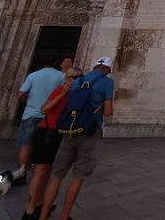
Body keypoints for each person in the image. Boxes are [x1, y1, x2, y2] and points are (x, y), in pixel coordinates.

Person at [38, 57, 114, 220]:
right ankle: (64, 216)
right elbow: (108, 111)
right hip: (89, 131)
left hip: (69, 131)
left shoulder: (77, 81)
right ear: (107, 70)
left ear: (94, 66)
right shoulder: (106, 83)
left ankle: (42, 215)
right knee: (78, 175)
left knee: (57, 174)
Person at [21, 66, 83, 220]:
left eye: (78, 78)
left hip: (61, 134)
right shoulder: (59, 91)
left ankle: (41, 203)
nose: (74, 81)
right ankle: (29, 210)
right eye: (72, 78)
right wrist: (63, 92)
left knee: (50, 171)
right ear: (66, 78)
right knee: (40, 171)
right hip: (47, 132)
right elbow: (45, 109)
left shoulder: (76, 94)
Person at [17, 59, 66, 174]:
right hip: (49, 115)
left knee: (25, 144)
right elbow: (64, 92)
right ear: (56, 65)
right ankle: (37, 165)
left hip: (30, 114)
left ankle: (21, 171)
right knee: (42, 142)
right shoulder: (61, 76)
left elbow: (20, 94)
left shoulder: (33, 75)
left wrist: (27, 102)